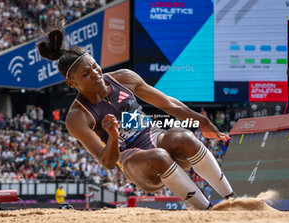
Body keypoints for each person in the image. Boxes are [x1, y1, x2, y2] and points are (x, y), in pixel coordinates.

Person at [37, 28, 236, 210]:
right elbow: (107, 162)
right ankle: (207, 210)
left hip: (156, 138)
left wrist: (203, 122)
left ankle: (232, 199)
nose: (96, 74)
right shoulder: (77, 117)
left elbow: (168, 103)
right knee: (160, 157)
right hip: (135, 162)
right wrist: (113, 135)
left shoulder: (123, 78)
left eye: (96, 67)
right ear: (72, 83)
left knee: (185, 137)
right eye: (87, 74)